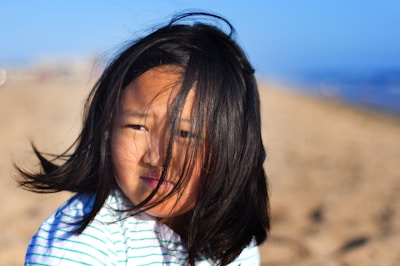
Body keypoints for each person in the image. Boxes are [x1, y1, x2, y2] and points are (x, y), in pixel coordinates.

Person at [17, 12, 270, 265]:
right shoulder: (81, 244)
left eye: (185, 133)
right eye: (138, 126)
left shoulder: (232, 238)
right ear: (106, 129)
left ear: (236, 145)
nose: (155, 157)